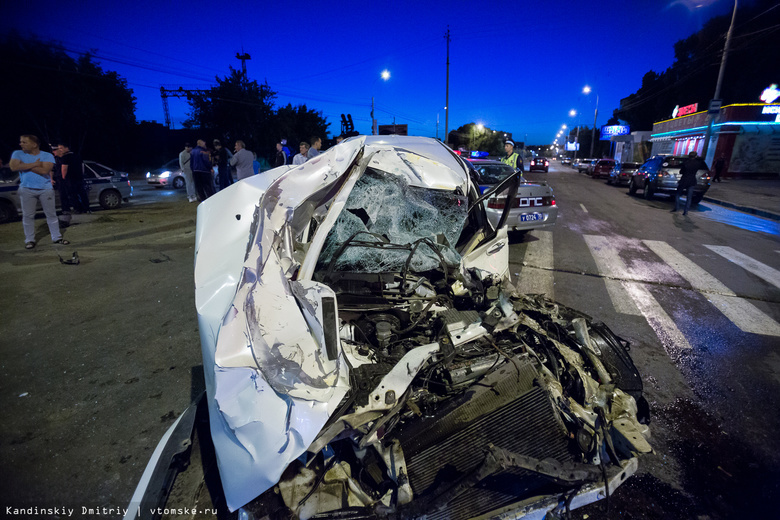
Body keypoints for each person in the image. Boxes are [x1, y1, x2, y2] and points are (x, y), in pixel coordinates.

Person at [9, 134, 68, 248]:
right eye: (21, 142)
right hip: (26, 189)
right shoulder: (17, 153)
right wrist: (35, 164)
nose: (21, 144)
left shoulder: (46, 155)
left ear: (34, 144)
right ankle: (29, 240)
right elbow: (13, 167)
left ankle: (57, 237)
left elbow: (45, 170)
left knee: (51, 214)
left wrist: (23, 165)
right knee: (28, 216)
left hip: (45, 189)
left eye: (24, 142)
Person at [671, 151, 707, 216]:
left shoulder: (686, 163)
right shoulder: (697, 164)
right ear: (695, 156)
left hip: (684, 180)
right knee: (689, 197)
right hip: (692, 181)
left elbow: (681, 171)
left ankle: (677, 208)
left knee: (678, 194)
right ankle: (686, 211)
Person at [57, 142, 89, 213]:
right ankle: (86, 207)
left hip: (70, 178)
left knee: (72, 194)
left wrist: (63, 177)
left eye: (61, 148)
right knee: (82, 193)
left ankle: (78, 208)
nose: (60, 150)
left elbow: (64, 168)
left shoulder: (65, 157)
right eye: (59, 149)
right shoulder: (77, 156)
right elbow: (83, 167)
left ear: (67, 148)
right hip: (79, 177)